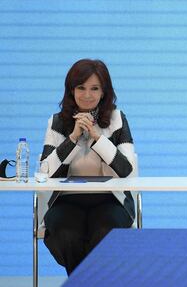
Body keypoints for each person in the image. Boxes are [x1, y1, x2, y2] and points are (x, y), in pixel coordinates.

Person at [40, 59, 136, 275]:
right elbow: (45, 173)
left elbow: (127, 170)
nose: (87, 95)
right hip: (67, 200)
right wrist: (73, 137)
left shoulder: (117, 119)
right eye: (81, 88)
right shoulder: (57, 122)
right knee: (66, 233)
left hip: (111, 199)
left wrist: (96, 137)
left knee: (104, 232)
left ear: (104, 92)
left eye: (94, 88)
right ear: (71, 90)